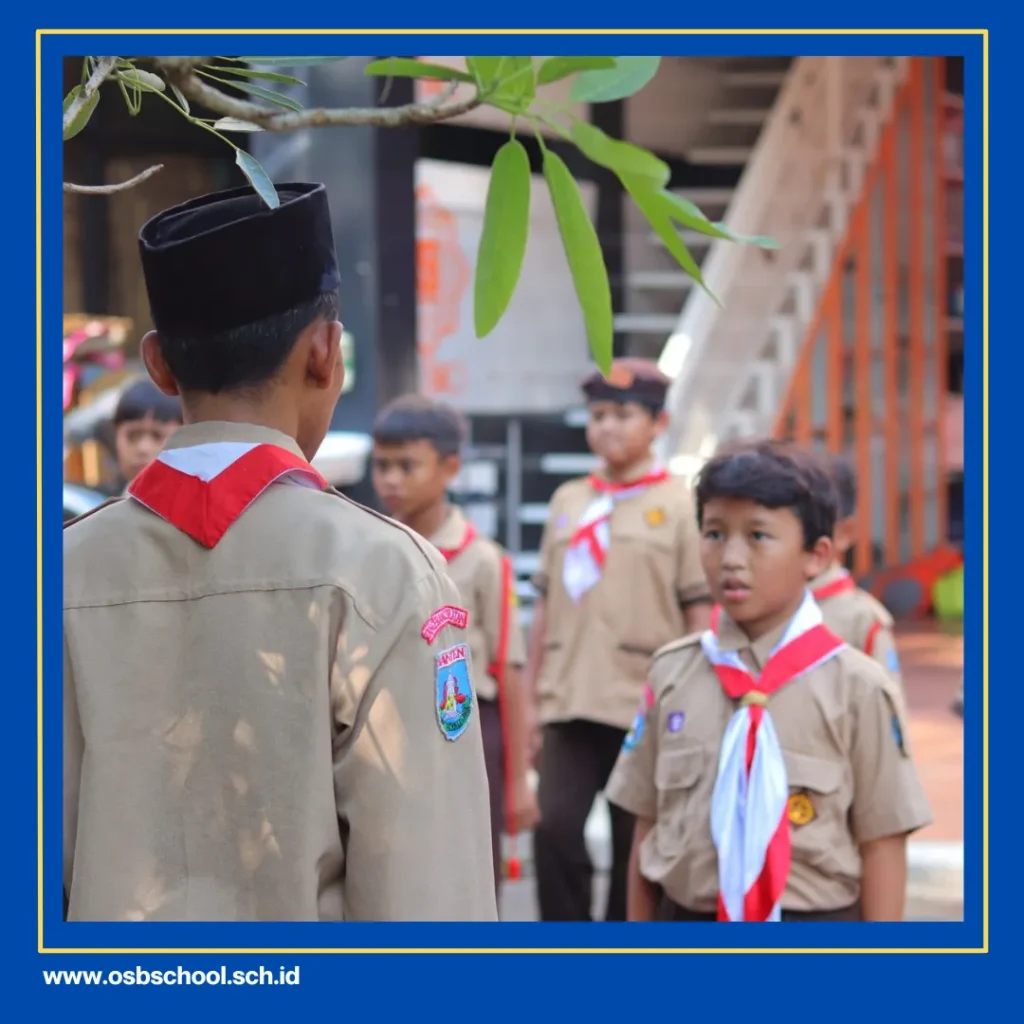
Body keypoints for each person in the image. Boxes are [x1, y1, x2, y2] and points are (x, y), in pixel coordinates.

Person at [62, 182, 496, 922]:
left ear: (160, 367)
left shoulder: (57, 572)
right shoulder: (385, 573)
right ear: (325, 353)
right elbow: (428, 899)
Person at [606, 439, 933, 922]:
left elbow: (883, 841)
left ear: (816, 556)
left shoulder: (858, 687)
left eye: (758, 536)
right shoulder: (672, 673)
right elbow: (646, 828)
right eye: (714, 534)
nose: (731, 558)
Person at [527, 358, 712, 922]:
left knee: (635, 839)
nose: (607, 426)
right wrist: (534, 698)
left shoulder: (681, 506)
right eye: (598, 414)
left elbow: (699, 614)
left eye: (623, 414)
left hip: (643, 704)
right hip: (569, 696)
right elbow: (545, 607)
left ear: (659, 423)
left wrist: (693, 704)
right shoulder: (569, 500)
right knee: (554, 828)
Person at [370, 394, 539, 903]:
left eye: (407, 465)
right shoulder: (372, 549)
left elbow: (509, 671)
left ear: (450, 468)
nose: (392, 480)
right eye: (382, 466)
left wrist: (517, 783)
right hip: (386, 727)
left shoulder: (484, 560)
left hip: (469, 729)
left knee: (474, 860)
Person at [809, 453, 905, 699]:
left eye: (808, 523)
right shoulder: (751, 607)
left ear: (844, 532)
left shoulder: (861, 620)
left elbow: (887, 710)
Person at [111, 377, 183, 490]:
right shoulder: (105, 505)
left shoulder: (202, 504)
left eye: (157, 435)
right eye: (132, 435)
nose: (143, 448)